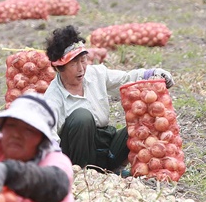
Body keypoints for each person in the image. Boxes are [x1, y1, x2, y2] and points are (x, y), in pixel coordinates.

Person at [44, 25, 175, 175]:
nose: (81, 68)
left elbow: (126, 79)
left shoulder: (95, 74)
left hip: (104, 147)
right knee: (82, 116)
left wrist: (153, 74)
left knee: (142, 126)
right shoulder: (52, 98)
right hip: (75, 156)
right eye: (74, 64)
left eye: (83, 60)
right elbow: (48, 137)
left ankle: (113, 171)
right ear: (59, 68)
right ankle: (85, 175)